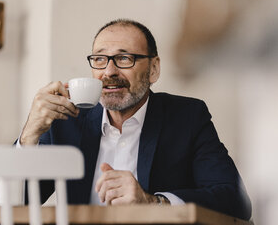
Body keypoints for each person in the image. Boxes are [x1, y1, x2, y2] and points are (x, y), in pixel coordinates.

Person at [18, 19, 252, 220]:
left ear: (153, 69)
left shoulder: (187, 117)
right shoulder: (65, 120)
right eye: (100, 59)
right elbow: (11, 202)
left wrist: (153, 203)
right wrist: (29, 135)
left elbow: (236, 200)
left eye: (124, 58)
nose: (109, 71)